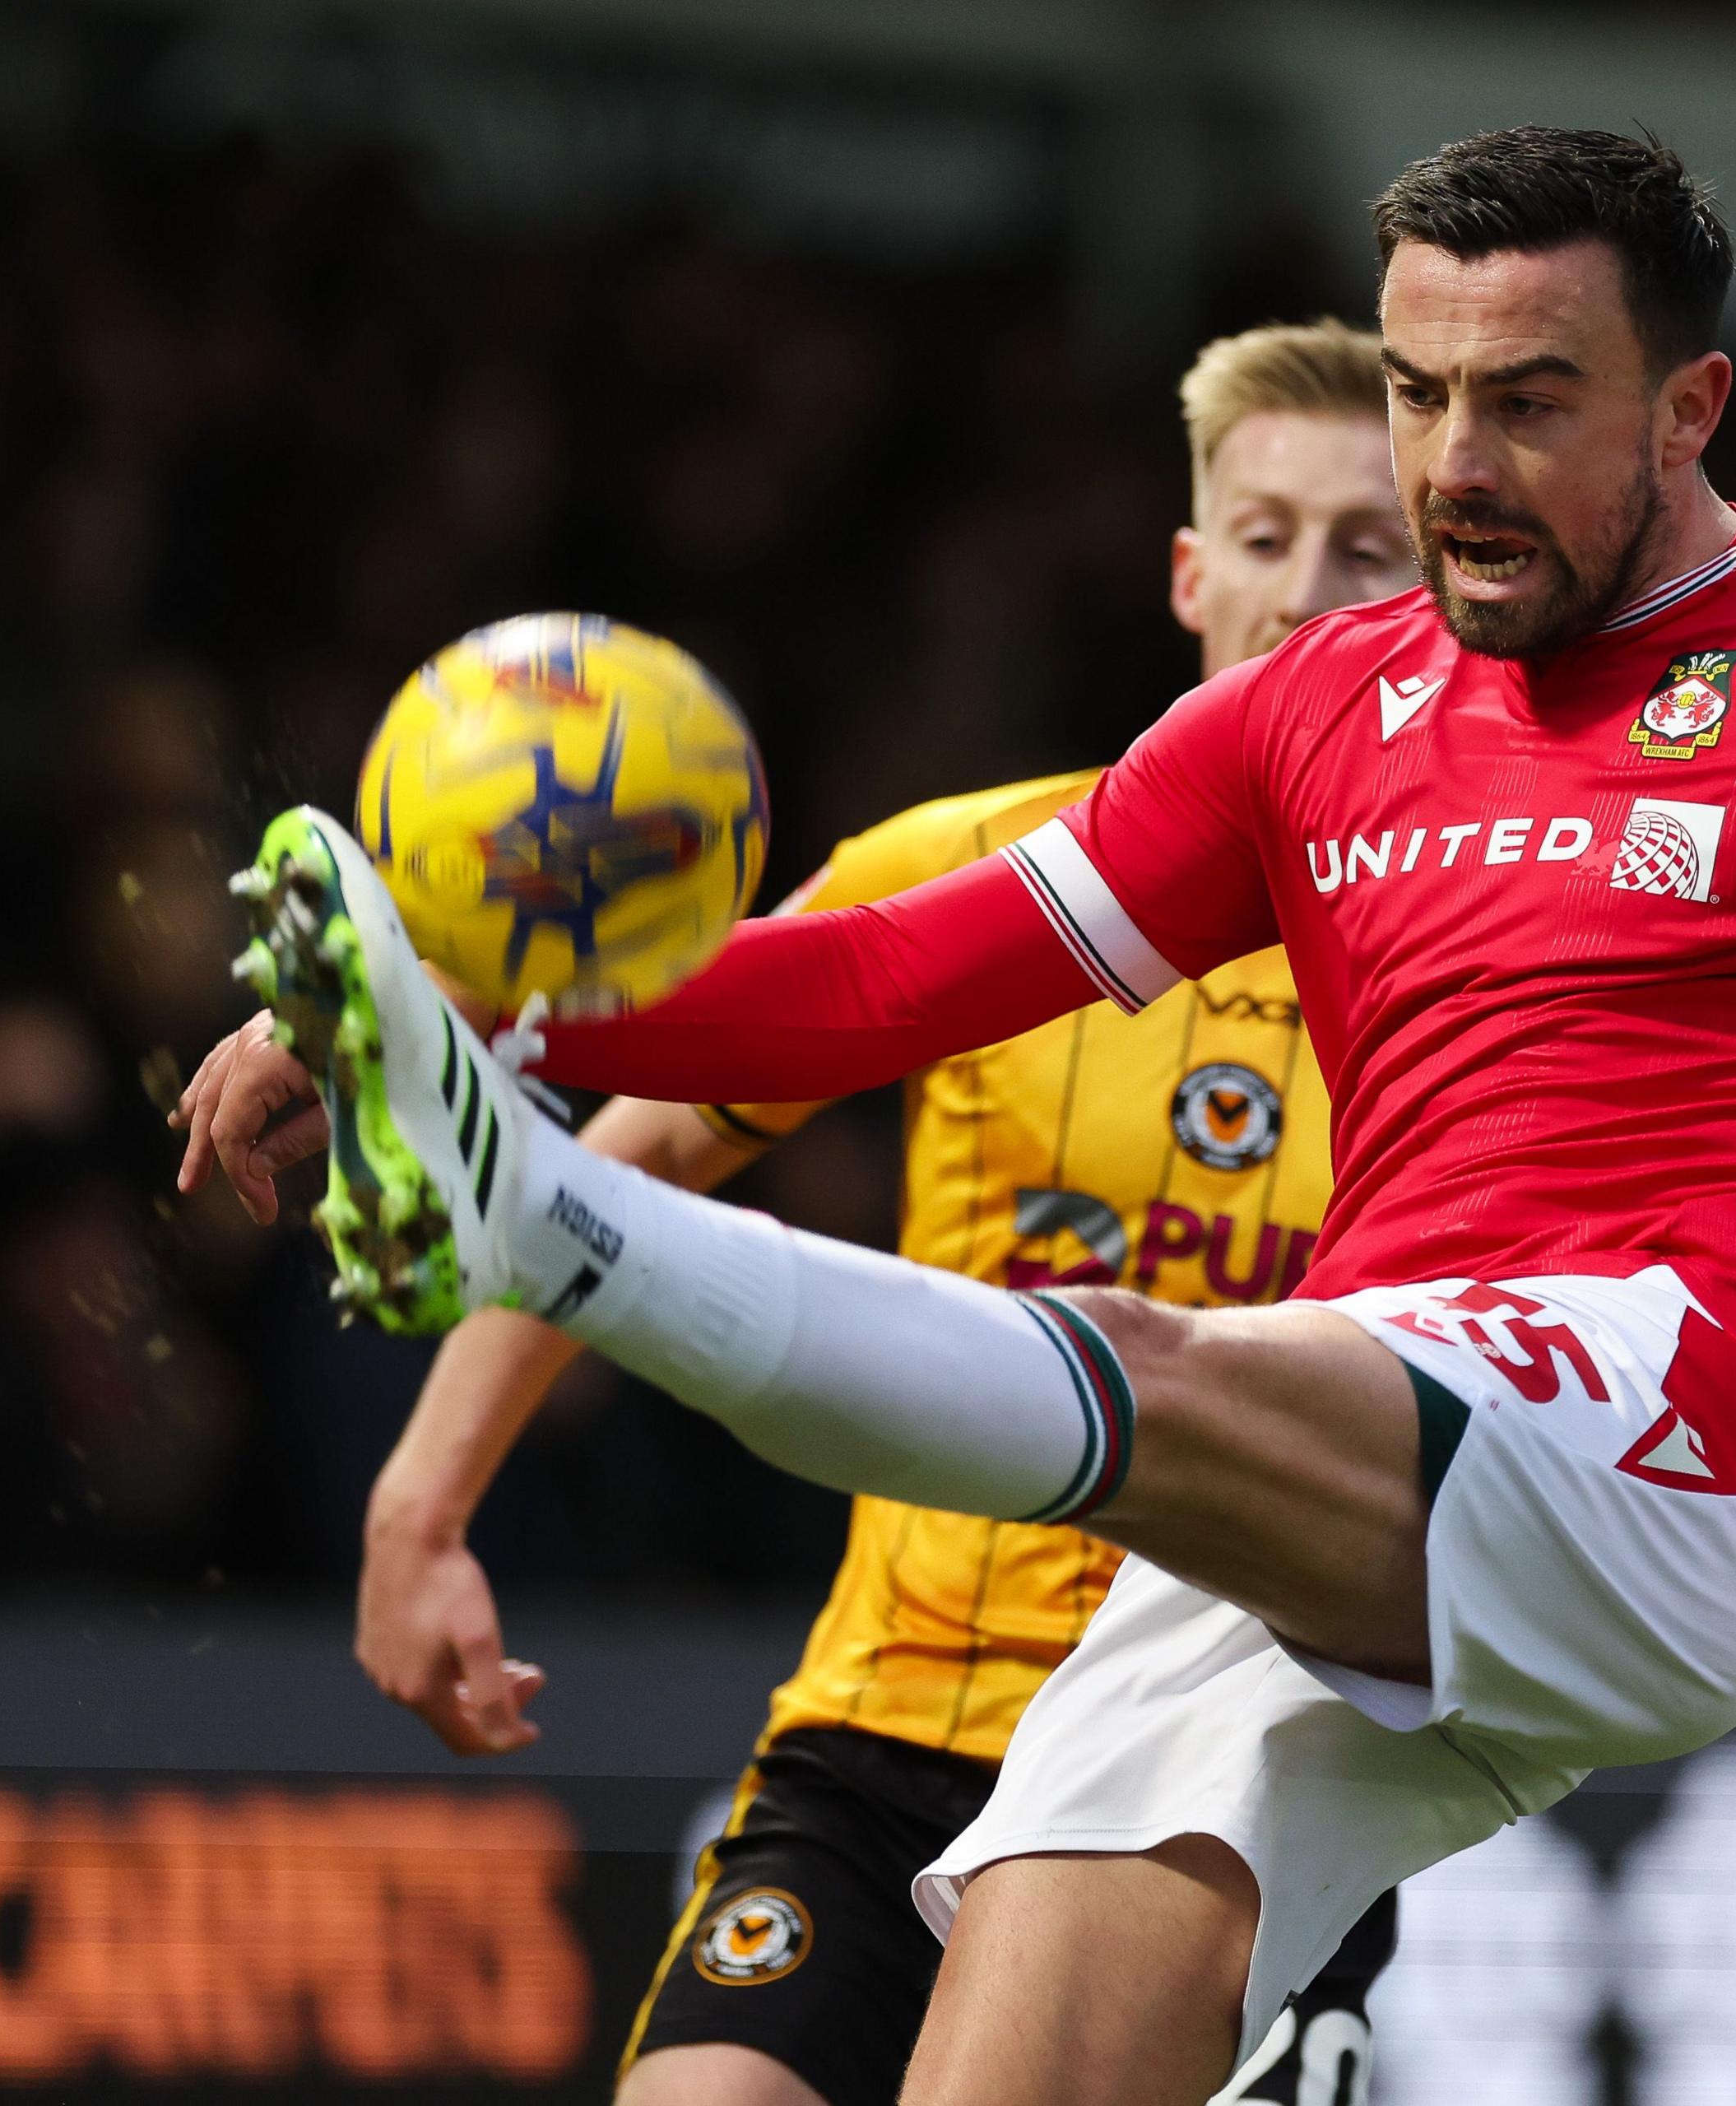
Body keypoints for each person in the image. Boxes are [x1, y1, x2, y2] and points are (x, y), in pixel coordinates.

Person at [179, 128, 1736, 2106]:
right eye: (1426, 390)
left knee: (1148, 1345)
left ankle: (558, 1227)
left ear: (1690, 404)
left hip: (1677, 1435)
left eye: (1531, 401)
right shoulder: (1319, 713)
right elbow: (885, 976)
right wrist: (474, 1002)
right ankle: (529, 1168)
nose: (1454, 463)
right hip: (1344, 1495)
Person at [182, 322, 1415, 2106]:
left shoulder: (1479, 973)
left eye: (1366, 546)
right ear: (1186, 568)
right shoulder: (988, 874)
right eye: (1265, 534)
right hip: (892, 1723)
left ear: (1439, 589)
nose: (1305, 590)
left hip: (1231, 1787)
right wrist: (421, 1497)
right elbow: (632, 1164)